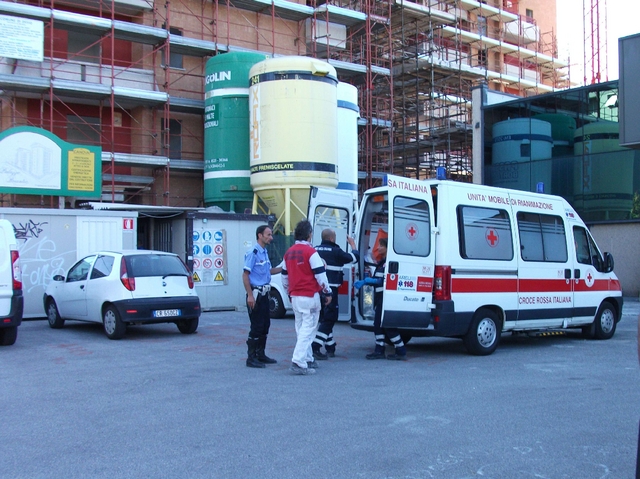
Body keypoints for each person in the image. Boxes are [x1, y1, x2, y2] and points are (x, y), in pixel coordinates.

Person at [281, 220, 332, 375]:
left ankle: (308, 358)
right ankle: (299, 362)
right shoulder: (311, 252)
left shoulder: (289, 252)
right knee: (308, 329)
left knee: (301, 329)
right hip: (310, 296)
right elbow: (320, 276)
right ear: (310, 234)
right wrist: (328, 292)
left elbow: (284, 278)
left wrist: (289, 292)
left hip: (295, 297)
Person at [355, 238, 407, 360]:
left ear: (387, 248)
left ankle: (398, 350)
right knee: (380, 325)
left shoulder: (388, 263)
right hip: (381, 299)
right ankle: (385, 350)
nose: (378, 248)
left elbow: (384, 281)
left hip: (385, 299)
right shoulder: (382, 262)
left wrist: (368, 281)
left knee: (386, 325)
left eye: (381, 245)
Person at [312, 228, 359, 359]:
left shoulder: (314, 250)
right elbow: (354, 258)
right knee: (330, 318)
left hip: (317, 290)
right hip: (331, 291)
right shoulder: (336, 251)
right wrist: (353, 244)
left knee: (324, 319)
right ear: (332, 239)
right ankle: (315, 346)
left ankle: (330, 346)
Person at [242, 225, 281, 368]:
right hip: (256, 294)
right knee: (257, 326)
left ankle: (261, 354)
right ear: (260, 235)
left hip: (265, 294)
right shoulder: (253, 253)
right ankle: (251, 358)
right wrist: (250, 296)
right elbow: (245, 275)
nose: (271, 237)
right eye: (268, 234)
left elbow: (269, 271)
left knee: (265, 325)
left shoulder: (264, 252)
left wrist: (284, 269)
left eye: (271, 235)